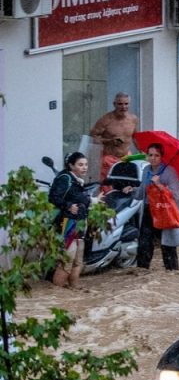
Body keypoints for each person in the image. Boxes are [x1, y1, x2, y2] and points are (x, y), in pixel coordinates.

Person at [48, 153, 104, 288]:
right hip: (68, 224)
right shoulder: (65, 178)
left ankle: (74, 289)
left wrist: (94, 201)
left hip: (80, 223)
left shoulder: (78, 181)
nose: (84, 167)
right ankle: (57, 294)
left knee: (78, 260)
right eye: (80, 165)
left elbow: (78, 198)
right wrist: (67, 206)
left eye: (85, 164)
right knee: (67, 260)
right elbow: (53, 197)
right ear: (71, 165)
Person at [127, 143, 179, 271]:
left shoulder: (169, 172)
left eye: (156, 155)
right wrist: (132, 190)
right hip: (150, 210)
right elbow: (143, 190)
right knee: (144, 243)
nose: (153, 158)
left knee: (167, 245)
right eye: (150, 155)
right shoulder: (146, 170)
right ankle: (142, 270)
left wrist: (159, 185)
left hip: (165, 212)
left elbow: (176, 194)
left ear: (162, 157)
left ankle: (172, 271)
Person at [89, 93, 139, 184]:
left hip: (126, 158)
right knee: (107, 189)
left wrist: (143, 153)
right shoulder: (106, 119)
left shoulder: (133, 119)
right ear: (114, 104)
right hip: (109, 158)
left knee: (126, 186)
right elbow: (92, 138)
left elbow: (135, 138)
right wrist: (110, 141)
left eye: (126, 104)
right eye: (120, 104)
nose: (123, 107)